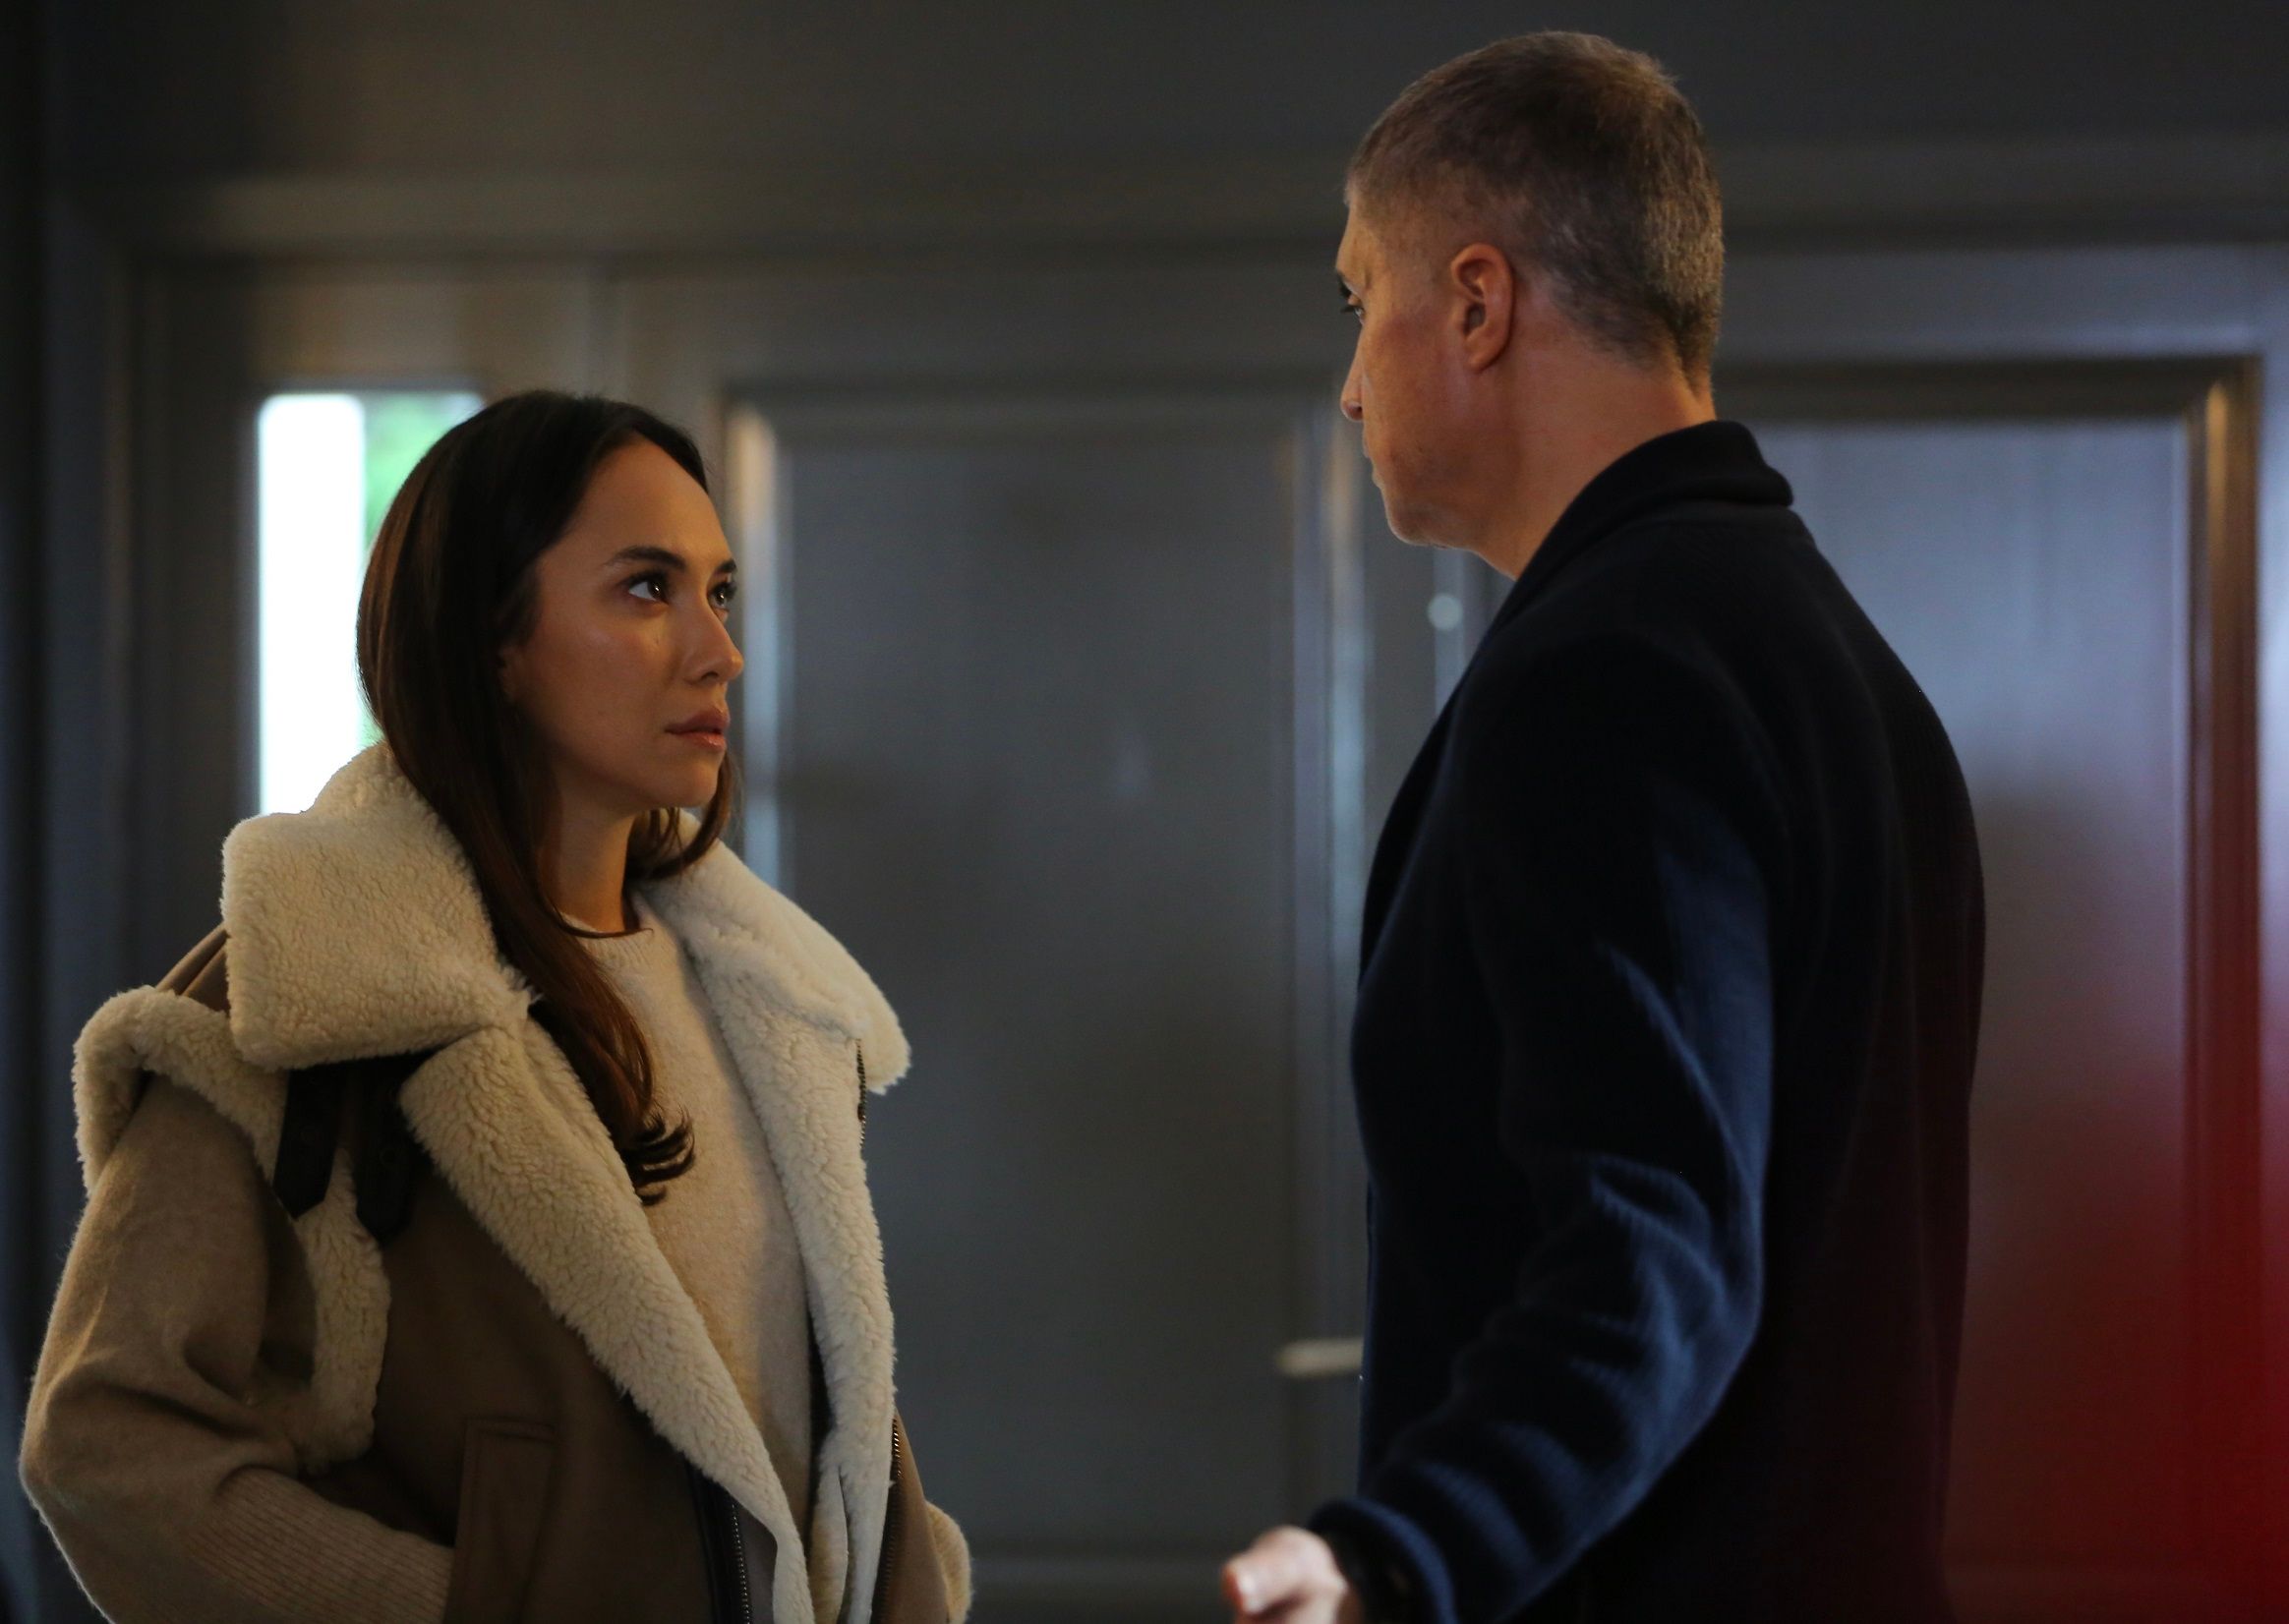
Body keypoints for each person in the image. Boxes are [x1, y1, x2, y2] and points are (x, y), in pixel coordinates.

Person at [1223, 32, 1984, 1624]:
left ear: (1478, 304)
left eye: (1361, 302)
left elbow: (1657, 1248)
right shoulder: (1828, 656)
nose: (1349, 384)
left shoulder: (1610, 670)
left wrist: (1398, 1553)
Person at [20, 390, 971, 1624]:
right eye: (648, 588)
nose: (717, 650)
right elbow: (106, 1446)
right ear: (493, 638)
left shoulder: (771, 1001)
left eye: (721, 591)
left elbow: (810, 1438)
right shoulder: (308, 995)